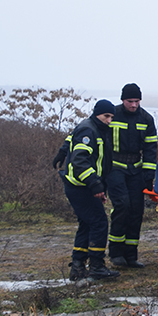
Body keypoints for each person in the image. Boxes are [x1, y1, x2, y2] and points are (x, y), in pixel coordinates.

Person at [60, 99, 119, 282]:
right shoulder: (89, 130)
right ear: (97, 114)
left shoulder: (96, 128)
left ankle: (78, 265)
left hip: (83, 185)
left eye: (111, 117)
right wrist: (95, 184)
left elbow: (71, 138)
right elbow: (80, 160)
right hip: (81, 186)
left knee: (86, 224)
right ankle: (96, 266)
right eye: (106, 116)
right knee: (99, 223)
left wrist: (63, 150)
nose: (109, 120)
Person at [106, 83, 158, 269]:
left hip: (136, 168)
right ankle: (115, 253)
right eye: (130, 101)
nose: (134, 105)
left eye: (137, 101)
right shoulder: (112, 114)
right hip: (115, 168)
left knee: (136, 210)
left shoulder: (146, 119)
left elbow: (151, 149)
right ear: (123, 100)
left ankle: (131, 255)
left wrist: (148, 175)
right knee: (122, 205)